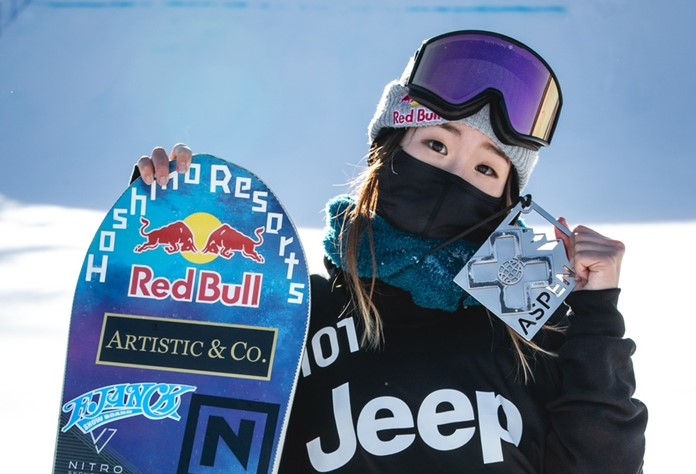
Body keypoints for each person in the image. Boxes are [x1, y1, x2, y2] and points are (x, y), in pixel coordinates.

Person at [138, 30, 647, 473]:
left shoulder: (530, 333)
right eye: (436, 146)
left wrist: (596, 318)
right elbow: (187, 429)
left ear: (506, 203)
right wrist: (170, 255)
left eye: (486, 169)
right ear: (388, 152)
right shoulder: (296, 312)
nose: (453, 175)